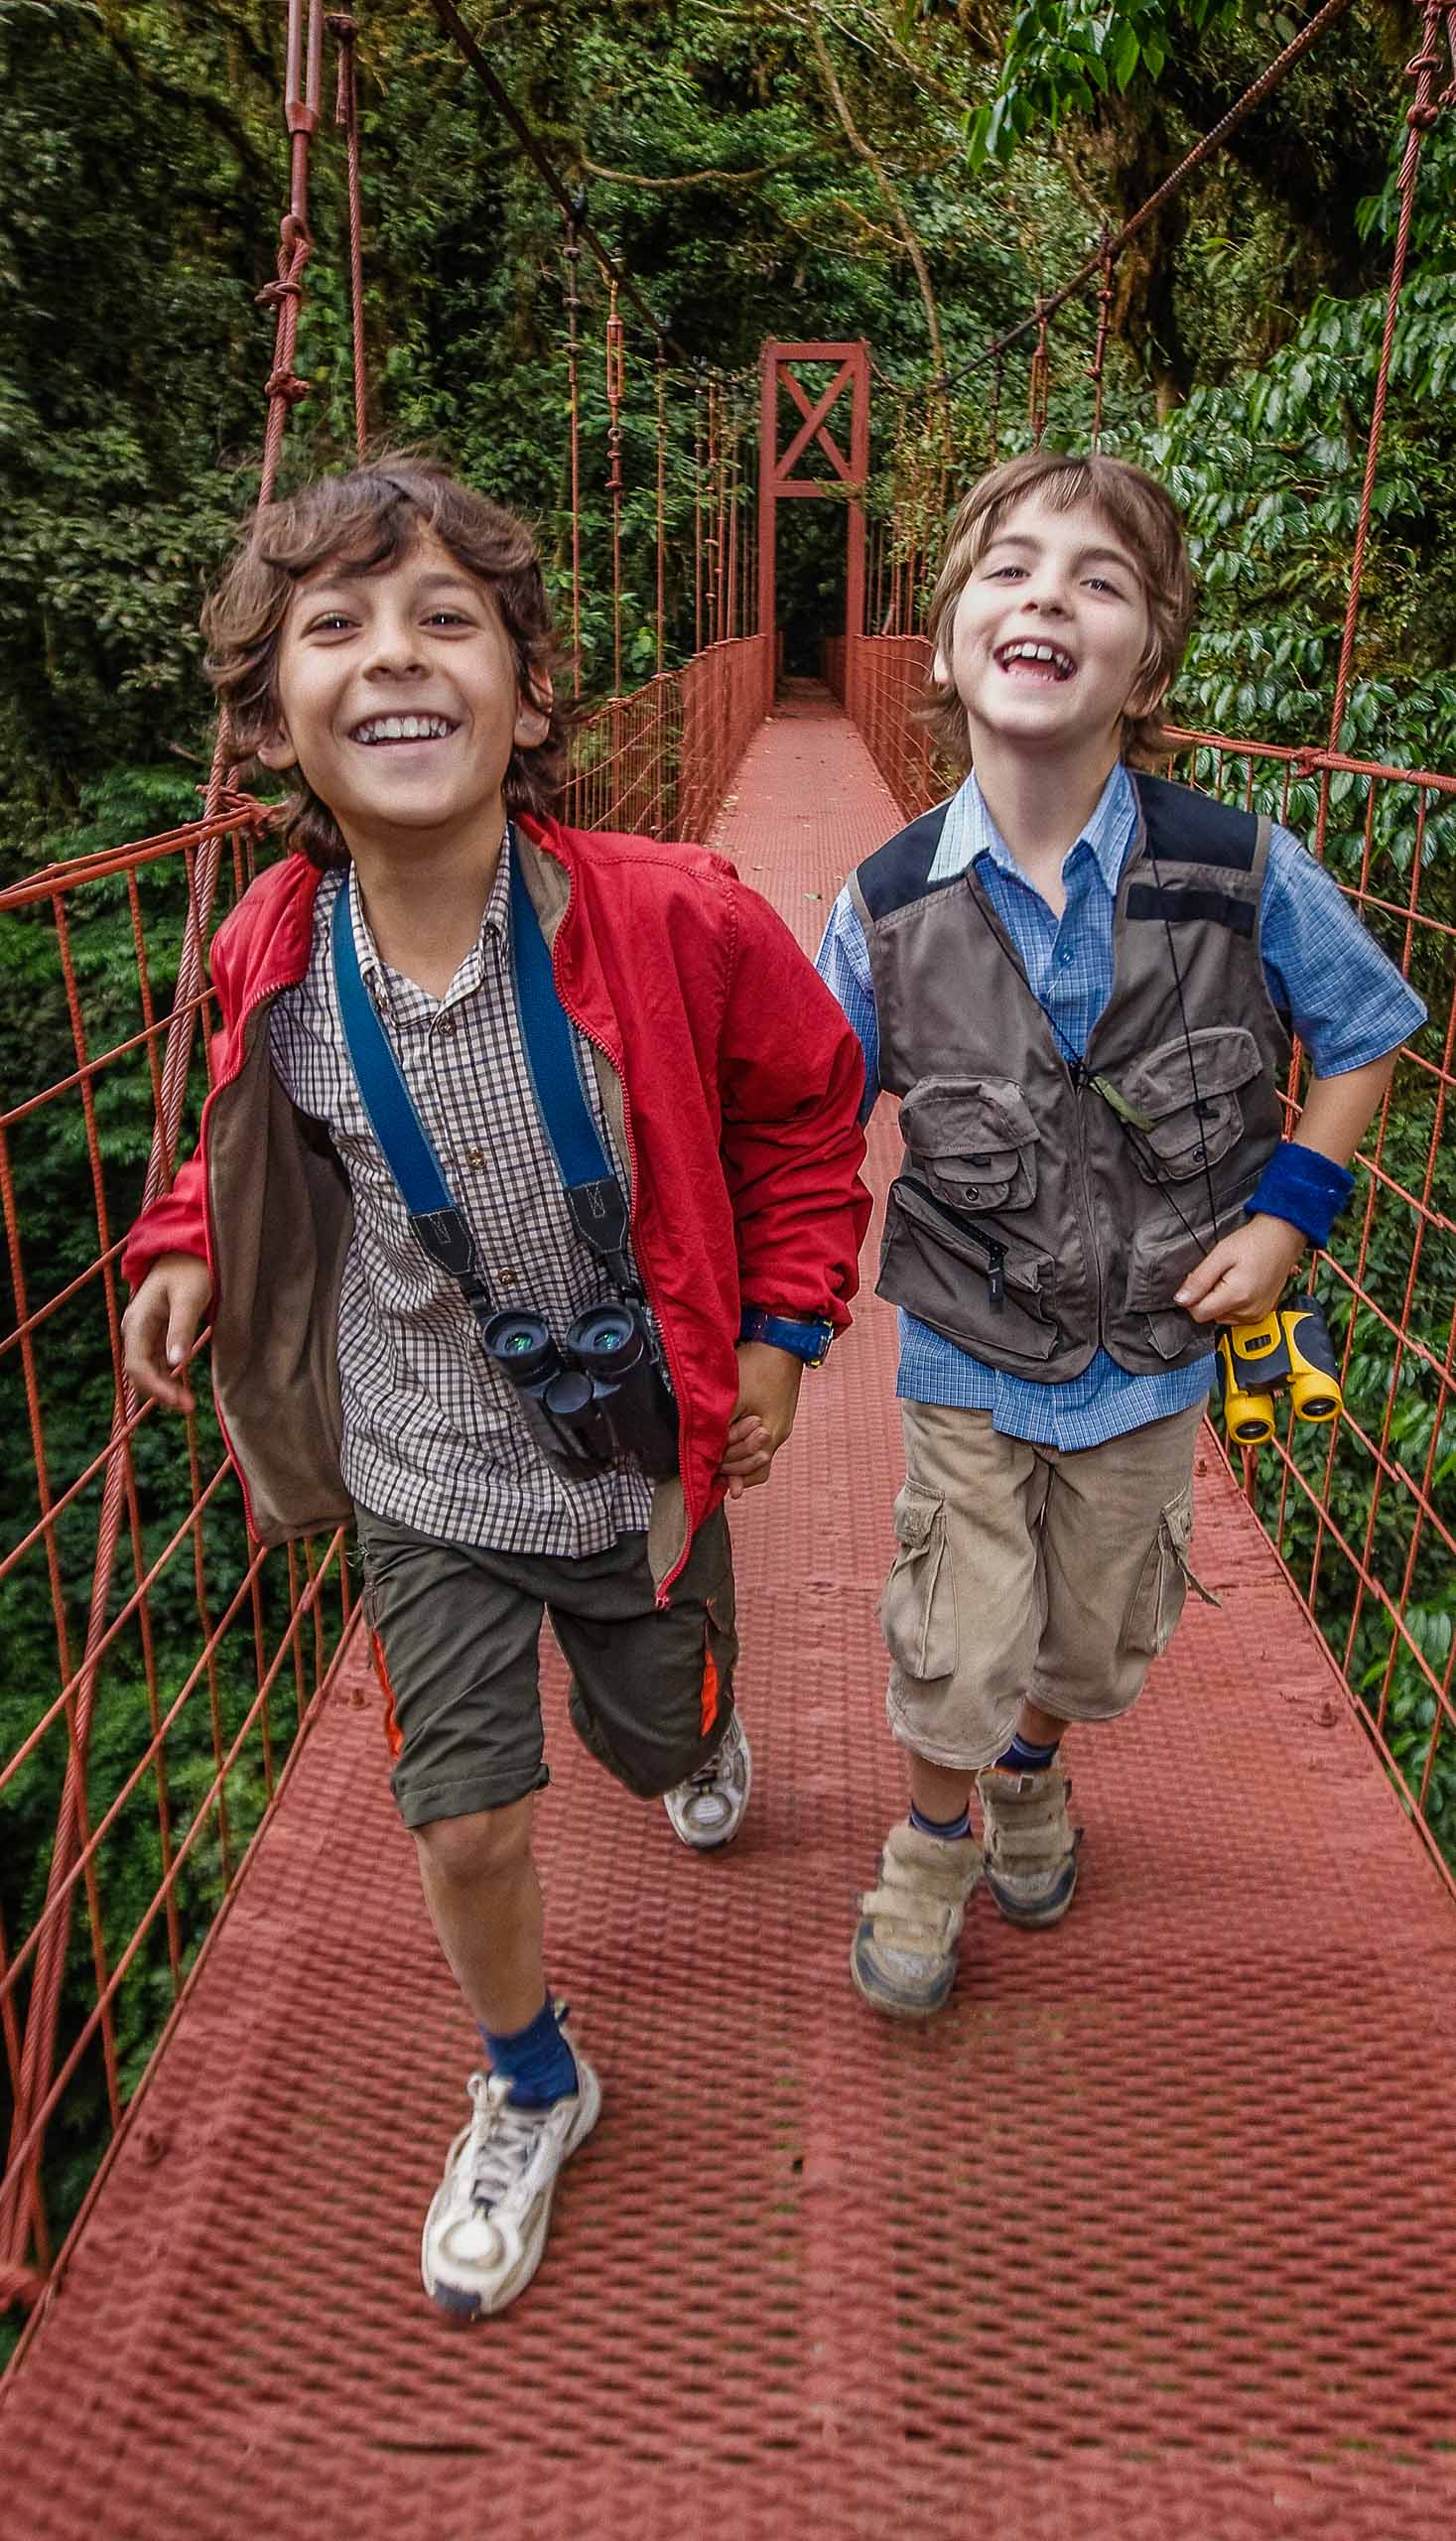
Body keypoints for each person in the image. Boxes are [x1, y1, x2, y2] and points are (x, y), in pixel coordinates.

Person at [121, 454, 870, 2313]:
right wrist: (188, 1243)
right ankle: (532, 2075)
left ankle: (695, 1724)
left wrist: (782, 1331)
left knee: (656, 1742)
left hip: (630, 1456)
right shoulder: (273, 954)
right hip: (419, 1456)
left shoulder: (677, 914)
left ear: (532, 695)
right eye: (336, 626)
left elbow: (807, 1107)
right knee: (463, 1814)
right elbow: (258, 1134)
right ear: (273, 717)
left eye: (447, 617)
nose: (395, 655)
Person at [816, 449, 1425, 2019]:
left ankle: (1037, 1773)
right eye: (1009, 569)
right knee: (959, 1634)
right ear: (945, 639)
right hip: (966, 1330)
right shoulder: (881, 905)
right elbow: (806, 1116)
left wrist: (1291, 1218)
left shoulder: (1240, 870)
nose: (1048, 599)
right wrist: (766, 1315)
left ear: (1147, 656)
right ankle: (934, 1841)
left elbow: (1363, 1030)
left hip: (1154, 1350)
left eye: (1100, 580)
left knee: (1091, 1645)